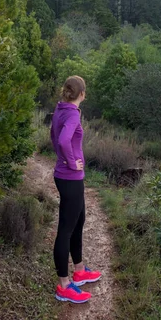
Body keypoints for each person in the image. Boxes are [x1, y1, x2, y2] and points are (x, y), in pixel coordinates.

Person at [50, 75, 101, 304]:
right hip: (69, 176)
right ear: (82, 94)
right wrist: (70, 162)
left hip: (70, 177)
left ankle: (79, 270)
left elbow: (54, 137)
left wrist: (64, 160)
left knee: (78, 221)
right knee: (65, 229)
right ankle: (63, 286)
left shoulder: (61, 109)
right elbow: (62, 140)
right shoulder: (71, 113)